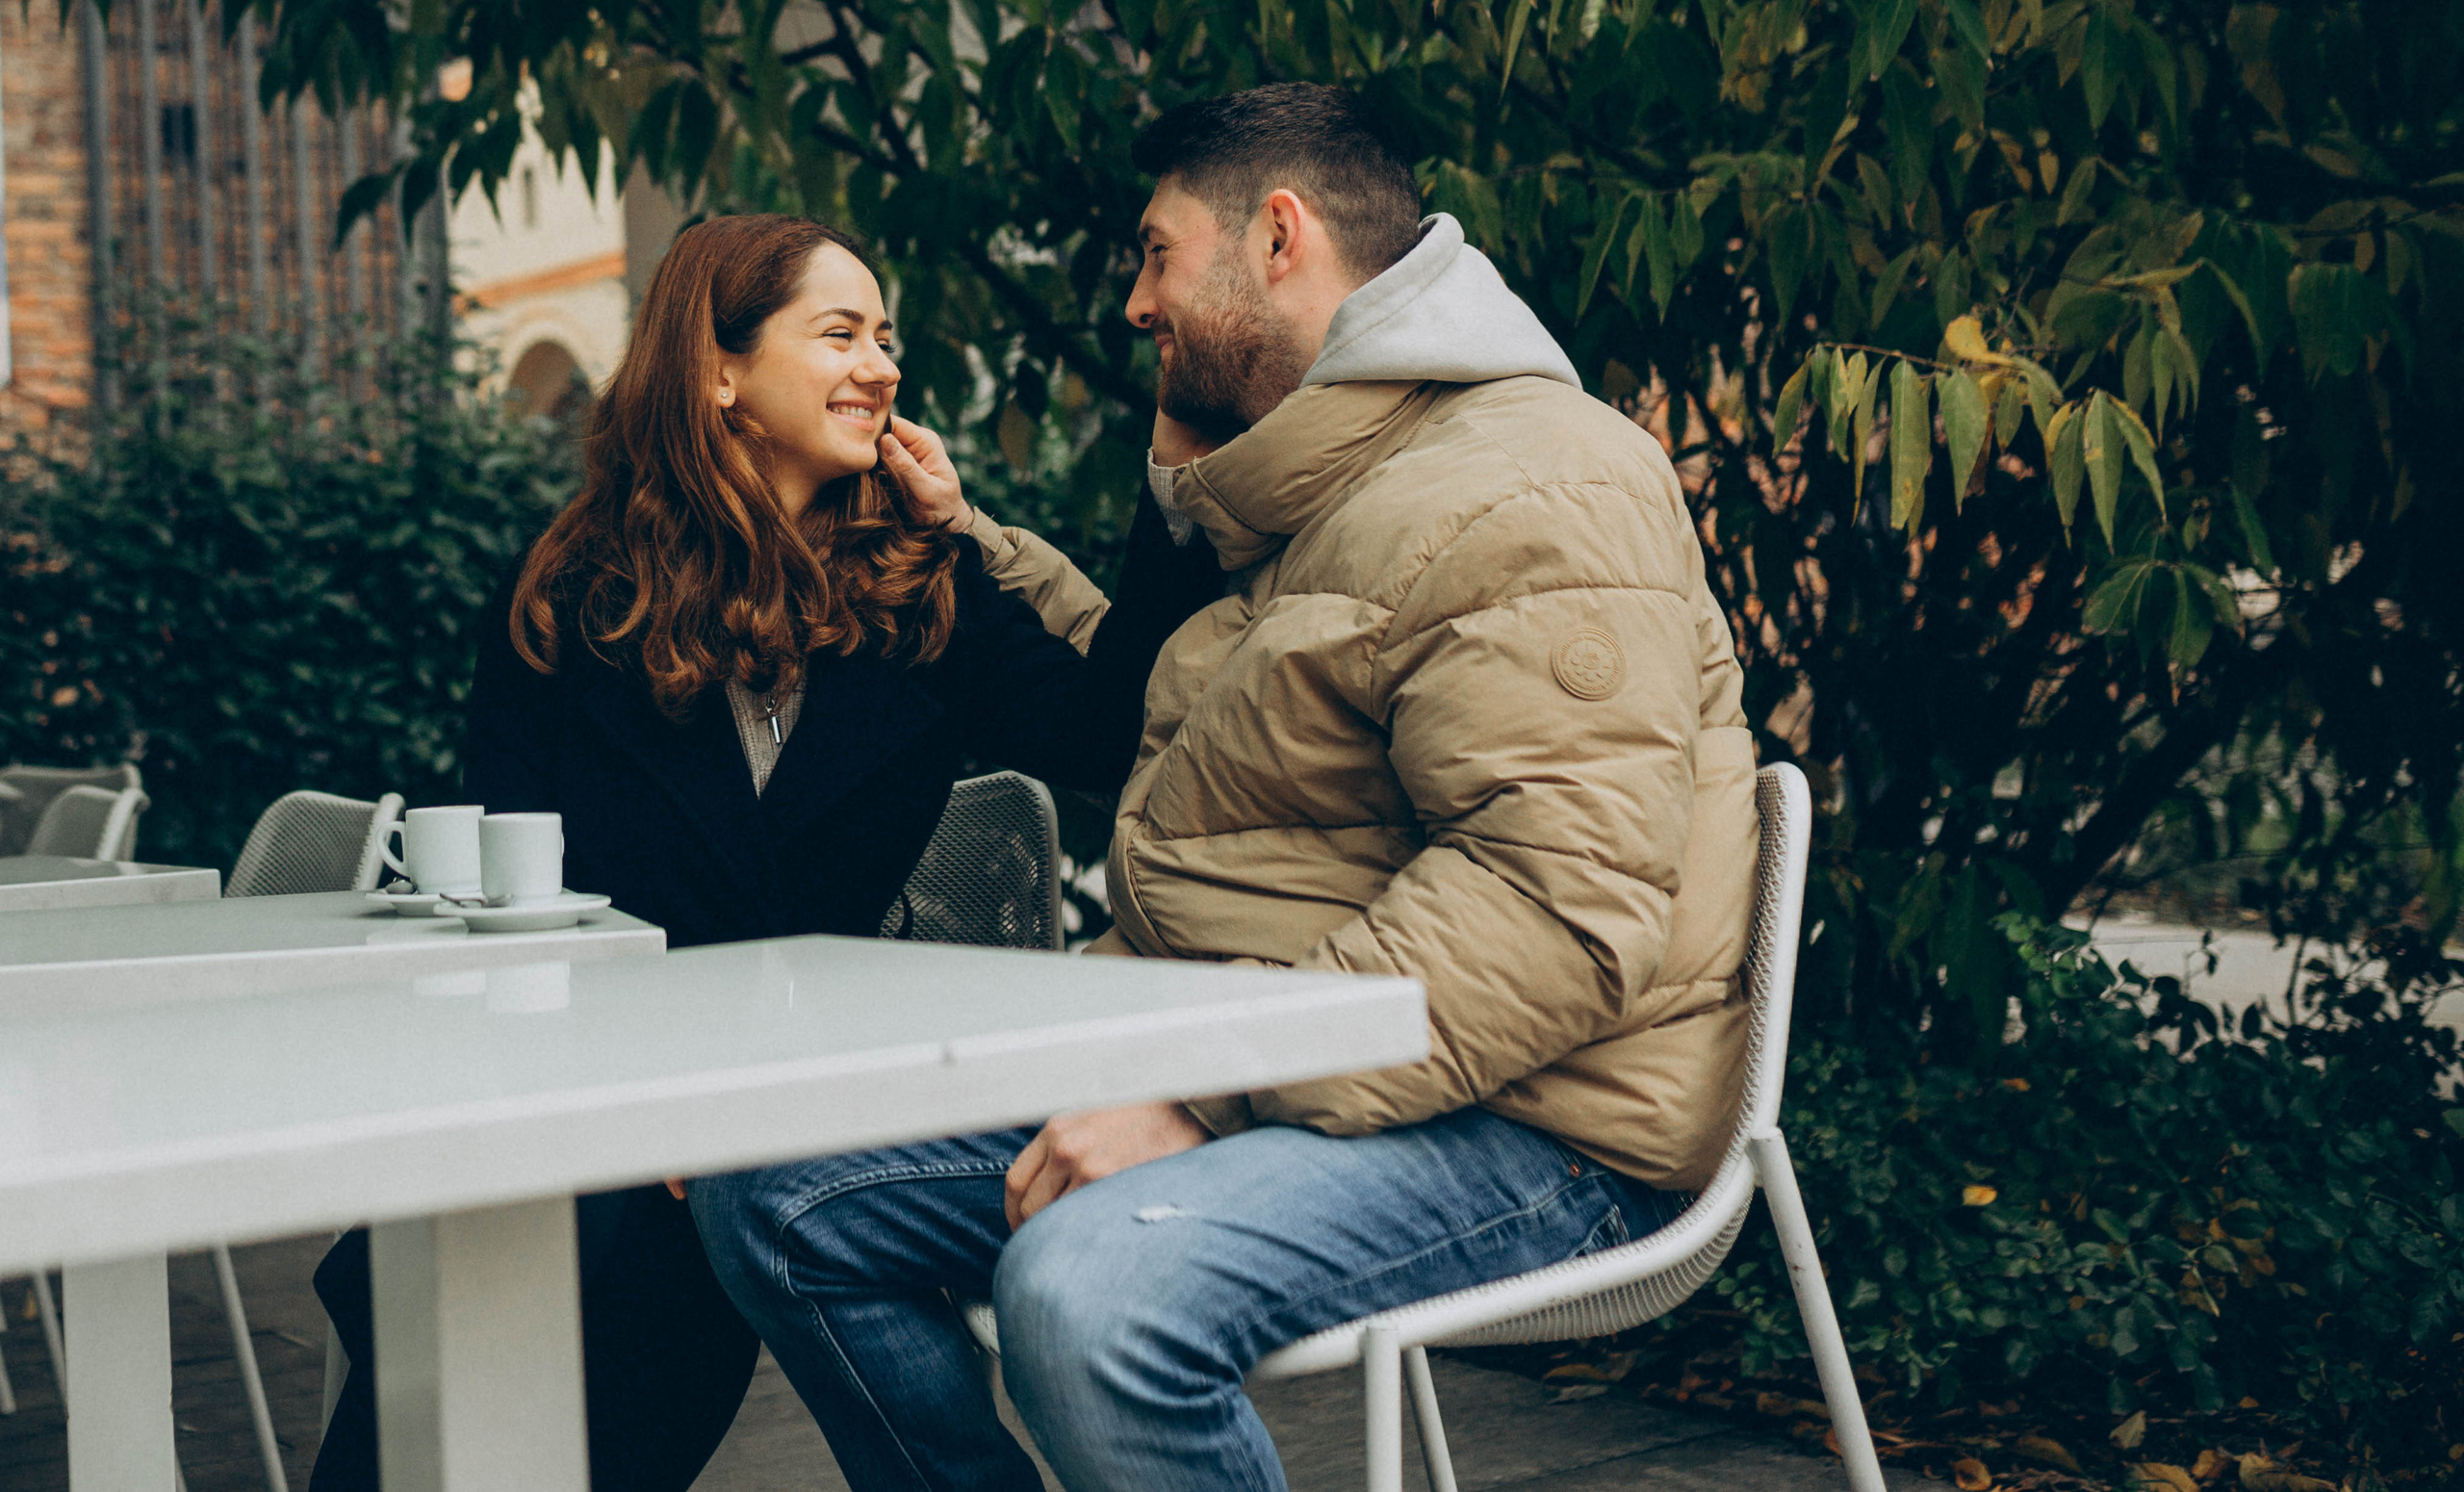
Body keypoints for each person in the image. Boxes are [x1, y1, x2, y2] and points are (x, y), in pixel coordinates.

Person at [689, 84, 1761, 1490]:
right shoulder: (1317, 482)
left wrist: (1206, 1097)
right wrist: (975, 544)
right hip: (1279, 1057)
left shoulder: (1532, 485)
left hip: (1538, 1121)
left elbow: (1550, 912)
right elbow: (1150, 715)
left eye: (1153, 253)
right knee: (774, 1190)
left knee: (1089, 1296)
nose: (1135, 302)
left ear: (1277, 236)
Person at [307, 213, 1221, 1492]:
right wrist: (642, 1091)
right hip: (586, 1097)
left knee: (631, 1280)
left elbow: (1111, 728)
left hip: (785, 1114)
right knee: (540, 1267)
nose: (883, 364)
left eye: (886, 337)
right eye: (839, 332)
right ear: (719, 369)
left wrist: (1173, 485)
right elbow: (508, 901)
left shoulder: (926, 584)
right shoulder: (571, 593)